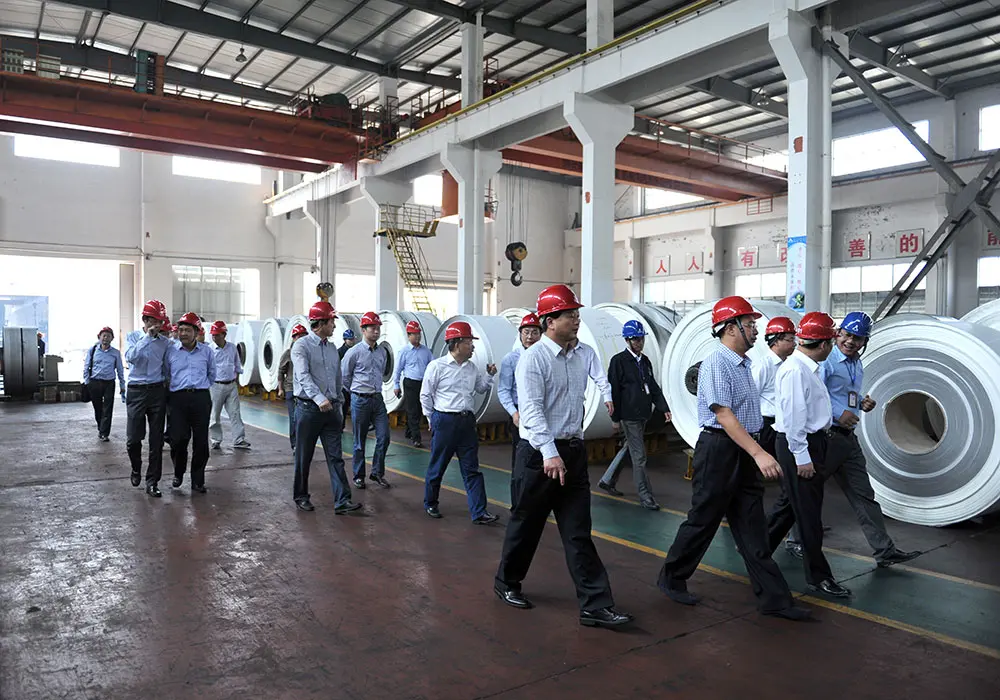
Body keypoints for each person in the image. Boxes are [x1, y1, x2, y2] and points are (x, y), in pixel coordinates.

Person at [655, 296, 810, 621]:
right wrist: (759, 453)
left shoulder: (745, 364)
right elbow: (723, 414)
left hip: (743, 449)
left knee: (752, 526)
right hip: (720, 450)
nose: (756, 330)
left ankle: (775, 599)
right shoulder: (716, 363)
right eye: (750, 324)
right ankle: (672, 577)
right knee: (703, 520)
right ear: (729, 328)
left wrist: (755, 449)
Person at [494, 284, 632, 629]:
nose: (577, 320)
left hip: (572, 451)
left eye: (577, 314)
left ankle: (595, 605)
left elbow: (598, 377)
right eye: (570, 315)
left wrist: (607, 396)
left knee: (578, 531)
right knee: (527, 525)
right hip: (539, 455)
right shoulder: (533, 359)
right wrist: (549, 453)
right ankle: (506, 582)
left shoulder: (582, 353)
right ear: (550, 321)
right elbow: (531, 411)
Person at [820, 311, 920, 568]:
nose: (851, 342)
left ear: (865, 341)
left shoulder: (856, 362)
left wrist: (861, 402)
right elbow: (814, 394)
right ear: (838, 333)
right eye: (847, 335)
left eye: (858, 338)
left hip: (847, 439)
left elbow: (845, 393)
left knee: (864, 495)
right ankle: (792, 539)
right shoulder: (826, 360)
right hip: (826, 438)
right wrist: (837, 413)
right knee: (805, 493)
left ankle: (884, 551)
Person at [765, 312, 850, 598]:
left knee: (792, 504)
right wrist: (802, 457)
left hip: (810, 442)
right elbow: (793, 419)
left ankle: (758, 550)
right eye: (833, 341)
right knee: (809, 514)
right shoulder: (795, 371)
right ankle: (819, 576)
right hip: (799, 445)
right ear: (824, 344)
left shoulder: (806, 368)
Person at [420, 321, 500, 523]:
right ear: (456, 344)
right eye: (469, 342)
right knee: (438, 465)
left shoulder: (471, 367)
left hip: (466, 422)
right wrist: (431, 418)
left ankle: (479, 512)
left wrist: (489, 375)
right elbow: (425, 395)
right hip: (445, 420)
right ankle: (431, 503)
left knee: (471, 468)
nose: (473, 347)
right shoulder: (436, 367)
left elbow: (480, 388)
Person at [291, 301, 361, 514]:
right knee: (304, 456)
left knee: (336, 456)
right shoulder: (301, 346)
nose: (334, 326)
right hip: (309, 409)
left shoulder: (331, 348)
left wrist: (338, 400)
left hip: (331, 410)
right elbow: (303, 376)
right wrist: (319, 398)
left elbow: (337, 376)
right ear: (320, 323)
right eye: (331, 322)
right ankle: (301, 496)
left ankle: (342, 501)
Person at [598, 320, 671, 511]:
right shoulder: (619, 361)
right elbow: (614, 391)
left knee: (630, 446)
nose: (639, 343)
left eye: (641, 339)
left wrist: (664, 408)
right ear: (627, 340)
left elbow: (652, 386)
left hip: (643, 414)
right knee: (639, 457)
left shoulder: (645, 361)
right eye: (635, 339)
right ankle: (646, 496)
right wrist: (615, 419)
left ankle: (607, 480)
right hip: (629, 416)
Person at [749, 316, 806, 556]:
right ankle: (748, 528)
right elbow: (751, 398)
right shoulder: (763, 366)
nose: (794, 343)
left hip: (782, 428)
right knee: (754, 482)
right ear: (776, 340)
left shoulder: (791, 365)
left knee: (790, 484)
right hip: (765, 427)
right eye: (790, 339)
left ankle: (794, 534)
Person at [124, 299, 171, 498]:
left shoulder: (165, 343)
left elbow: (167, 367)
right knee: (133, 438)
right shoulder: (133, 337)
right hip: (136, 391)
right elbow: (131, 358)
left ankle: (152, 481)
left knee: (156, 440)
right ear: (145, 320)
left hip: (157, 391)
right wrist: (147, 338)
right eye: (154, 321)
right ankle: (136, 467)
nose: (158, 325)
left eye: (160, 321)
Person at [166, 313, 216, 493]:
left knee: (201, 441)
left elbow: (212, 374)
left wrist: (199, 389)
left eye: (187, 330)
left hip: (200, 398)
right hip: (177, 399)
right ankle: (178, 473)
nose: (183, 333)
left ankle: (198, 480)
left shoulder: (207, 352)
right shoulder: (171, 351)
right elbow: (166, 374)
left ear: (196, 332)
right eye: (181, 330)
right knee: (178, 439)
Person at [342, 312, 391, 490]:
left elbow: (382, 372)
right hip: (360, 399)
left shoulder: (382, 352)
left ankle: (377, 472)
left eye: (378, 328)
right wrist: (356, 393)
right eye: (373, 328)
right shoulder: (354, 352)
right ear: (363, 330)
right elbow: (345, 377)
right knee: (359, 441)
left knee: (384, 437)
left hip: (377, 399)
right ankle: (359, 475)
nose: (376, 331)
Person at [498, 313, 542, 473]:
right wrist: (514, 413)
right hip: (520, 412)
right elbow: (503, 390)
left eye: (535, 332)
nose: (530, 337)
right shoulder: (511, 359)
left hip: (541, 410)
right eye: (526, 332)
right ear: (520, 334)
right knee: (521, 456)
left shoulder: (546, 357)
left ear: (541, 334)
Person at [209, 320, 251, 451]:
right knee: (214, 414)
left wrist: (236, 382)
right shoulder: (210, 350)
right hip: (216, 386)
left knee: (235, 413)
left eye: (217, 335)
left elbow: (237, 364)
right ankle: (215, 440)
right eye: (213, 335)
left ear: (224, 334)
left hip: (231, 385)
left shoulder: (232, 348)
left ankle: (239, 439)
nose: (214, 337)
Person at [393, 320, 433, 447]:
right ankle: (416, 438)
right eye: (414, 334)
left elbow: (433, 367)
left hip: (423, 383)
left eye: (418, 334)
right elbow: (398, 369)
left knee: (420, 409)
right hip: (410, 383)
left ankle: (409, 431)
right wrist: (396, 385)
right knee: (412, 410)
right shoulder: (404, 351)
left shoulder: (426, 351)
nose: (417, 337)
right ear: (408, 335)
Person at [83, 326, 126, 441]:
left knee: (108, 409)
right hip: (95, 382)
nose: (106, 338)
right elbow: (86, 366)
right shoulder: (93, 350)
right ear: (99, 337)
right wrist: (87, 382)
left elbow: (120, 370)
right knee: (98, 408)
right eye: (104, 336)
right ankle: (101, 428)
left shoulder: (115, 353)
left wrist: (122, 385)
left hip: (109, 383)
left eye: (108, 336)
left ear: (112, 339)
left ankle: (104, 433)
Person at [278, 324, 308, 450]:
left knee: (305, 418)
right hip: (291, 389)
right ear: (294, 338)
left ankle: (303, 443)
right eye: (299, 336)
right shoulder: (288, 354)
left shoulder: (308, 353)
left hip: (305, 389)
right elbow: (281, 371)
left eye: (304, 336)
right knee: (294, 417)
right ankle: (295, 444)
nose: (301, 339)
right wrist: (280, 388)